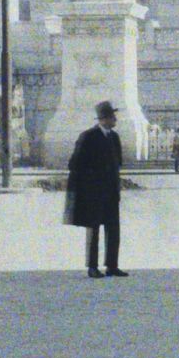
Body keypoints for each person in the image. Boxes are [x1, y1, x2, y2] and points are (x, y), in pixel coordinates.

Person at [65, 100, 127, 278]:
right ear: (104, 119)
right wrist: (91, 178)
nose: (115, 119)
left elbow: (118, 162)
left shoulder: (114, 137)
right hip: (93, 192)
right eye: (113, 117)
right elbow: (74, 163)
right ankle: (92, 266)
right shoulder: (88, 136)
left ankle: (112, 265)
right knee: (94, 229)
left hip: (111, 192)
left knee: (113, 228)